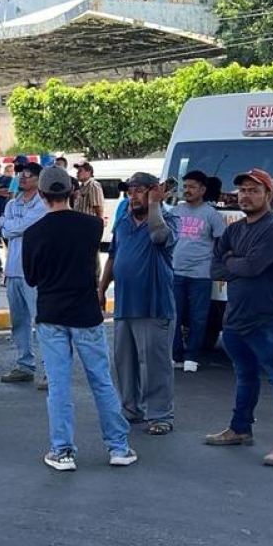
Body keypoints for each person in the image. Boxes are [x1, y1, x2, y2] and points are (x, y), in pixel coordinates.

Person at [25, 166, 137, 470]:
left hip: (51, 314)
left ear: (42, 194)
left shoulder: (33, 233)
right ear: (72, 191)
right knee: (101, 381)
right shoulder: (90, 226)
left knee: (59, 386)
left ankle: (62, 451)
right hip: (85, 313)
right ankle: (118, 447)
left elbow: (31, 278)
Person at [206, 169, 273, 466]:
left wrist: (232, 261)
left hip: (268, 320)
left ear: (269, 195)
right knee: (245, 376)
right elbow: (214, 269)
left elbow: (252, 267)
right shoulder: (234, 229)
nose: (245, 196)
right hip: (235, 319)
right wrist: (237, 262)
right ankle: (240, 428)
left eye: (253, 190)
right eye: (242, 190)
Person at [98, 172, 179, 435]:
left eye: (139, 191)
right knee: (125, 362)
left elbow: (159, 237)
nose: (132, 196)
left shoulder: (168, 219)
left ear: (154, 191)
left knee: (155, 363)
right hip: (124, 305)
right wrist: (101, 289)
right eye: (129, 191)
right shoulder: (123, 223)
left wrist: (155, 205)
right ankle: (131, 410)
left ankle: (160, 414)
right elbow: (113, 258)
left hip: (154, 306)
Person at [170, 170, 226, 372]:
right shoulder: (176, 211)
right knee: (174, 315)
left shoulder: (211, 214)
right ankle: (175, 354)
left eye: (192, 187)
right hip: (176, 271)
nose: (187, 190)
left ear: (202, 189)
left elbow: (221, 242)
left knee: (198, 317)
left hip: (201, 274)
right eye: (185, 186)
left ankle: (192, 357)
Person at [0, 161, 48, 386]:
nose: (23, 178)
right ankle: (24, 365)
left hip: (34, 272)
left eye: (28, 175)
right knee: (19, 321)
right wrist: (8, 226)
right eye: (20, 175)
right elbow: (5, 228)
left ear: (38, 179)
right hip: (13, 270)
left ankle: (50, 369)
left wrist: (8, 225)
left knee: (42, 321)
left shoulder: (42, 205)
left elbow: (17, 227)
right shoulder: (12, 203)